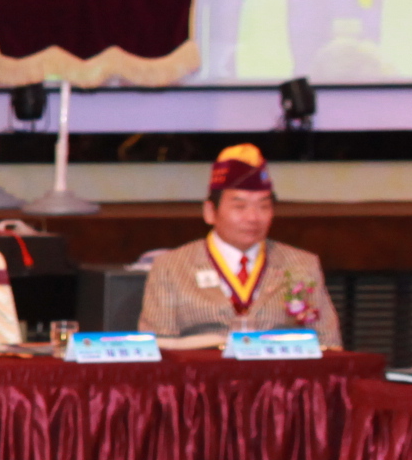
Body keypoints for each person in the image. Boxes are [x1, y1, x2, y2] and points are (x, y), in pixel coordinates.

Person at [136, 144, 342, 348]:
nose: (253, 217)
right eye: (240, 206)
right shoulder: (170, 268)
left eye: (263, 206)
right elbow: (156, 350)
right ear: (210, 212)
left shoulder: (302, 265)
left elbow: (329, 345)